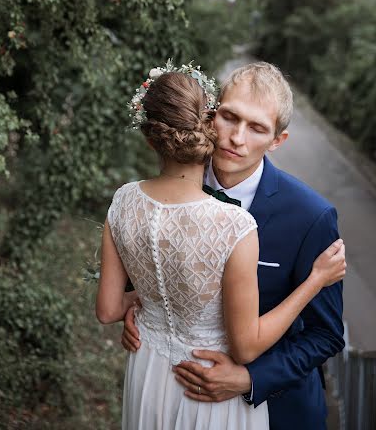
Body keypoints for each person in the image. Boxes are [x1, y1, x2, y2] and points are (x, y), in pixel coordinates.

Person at [98, 62, 346, 430]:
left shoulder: (311, 217)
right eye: (230, 118)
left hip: (279, 412)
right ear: (210, 114)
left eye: (257, 128)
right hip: (169, 394)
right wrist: (143, 312)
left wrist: (250, 379)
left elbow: (326, 335)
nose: (237, 138)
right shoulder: (161, 190)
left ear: (278, 140)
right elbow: (151, 280)